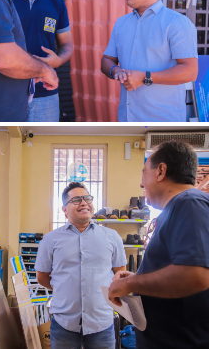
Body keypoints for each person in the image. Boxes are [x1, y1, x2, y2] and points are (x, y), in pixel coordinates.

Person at [108, 141, 209, 349]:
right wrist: (138, 278)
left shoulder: (189, 203)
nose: (141, 184)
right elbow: (181, 270)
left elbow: (196, 275)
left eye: (144, 172)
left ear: (161, 171)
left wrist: (129, 285)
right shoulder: (177, 209)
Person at [100, 0, 198, 122]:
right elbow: (107, 60)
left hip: (162, 123)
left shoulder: (177, 23)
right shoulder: (121, 23)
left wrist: (145, 77)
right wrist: (115, 71)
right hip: (126, 119)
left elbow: (190, 71)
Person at [35, 182, 126, 349]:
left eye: (87, 198)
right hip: (64, 324)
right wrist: (65, 288)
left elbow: (120, 275)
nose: (84, 203)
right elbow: (42, 277)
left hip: (102, 324)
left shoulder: (112, 237)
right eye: (76, 200)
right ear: (64, 209)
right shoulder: (50, 240)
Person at [5, 0, 73, 122]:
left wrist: (57, 61)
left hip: (46, 95)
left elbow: (67, 45)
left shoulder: (56, 2)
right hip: (5, 92)